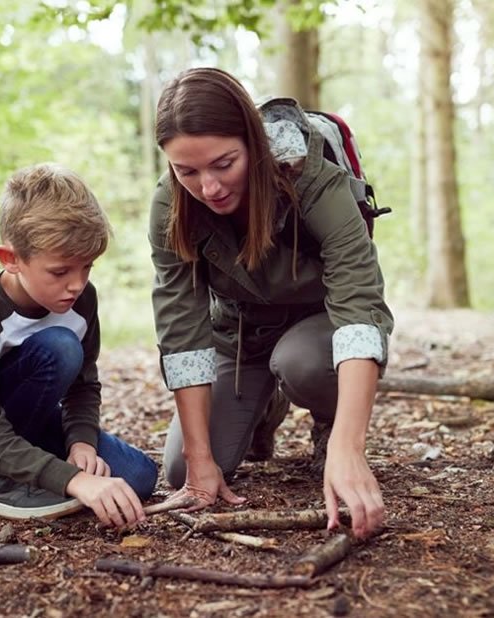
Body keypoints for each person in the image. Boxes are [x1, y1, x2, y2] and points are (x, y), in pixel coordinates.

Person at [149, 67, 394, 539]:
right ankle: (264, 407)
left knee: (300, 361)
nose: (209, 187)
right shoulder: (170, 205)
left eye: (224, 164)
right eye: (187, 171)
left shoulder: (313, 181)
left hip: (318, 329)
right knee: (183, 471)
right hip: (241, 336)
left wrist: (350, 448)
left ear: (253, 143)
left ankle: (329, 424)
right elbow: (181, 329)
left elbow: (360, 312)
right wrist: (201, 459)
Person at [0, 163, 157, 527]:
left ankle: (26, 469)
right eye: (60, 271)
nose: (77, 284)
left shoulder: (82, 300)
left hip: (26, 417)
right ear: (11, 259)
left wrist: (81, 443)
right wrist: (74, 479)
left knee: (138, 477)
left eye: (87, 267)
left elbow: (83, 387)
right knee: (60, 347)